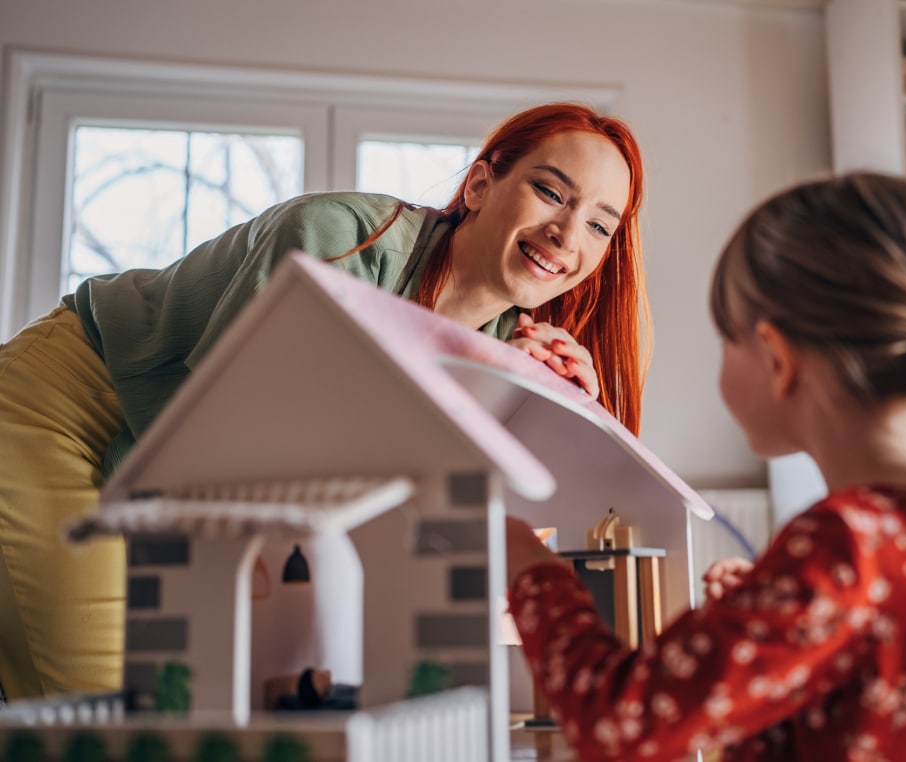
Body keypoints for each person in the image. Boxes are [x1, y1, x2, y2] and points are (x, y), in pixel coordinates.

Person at [0, 102, 651, 700]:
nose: (568, 235)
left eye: (599, 224)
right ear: (480, 184)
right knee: (113, 693)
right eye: (550, 191)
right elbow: (220, 444)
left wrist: (544, 402)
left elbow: (433, 490)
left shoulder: (507, 346)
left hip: (163, 449)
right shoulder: (337, 237)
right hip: (63, 402)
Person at [506, 172, 906, 761]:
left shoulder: (847, 543)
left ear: (778, 359)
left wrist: (530, 565)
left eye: (726, 341)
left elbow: (618, 722)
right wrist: (764, 603)